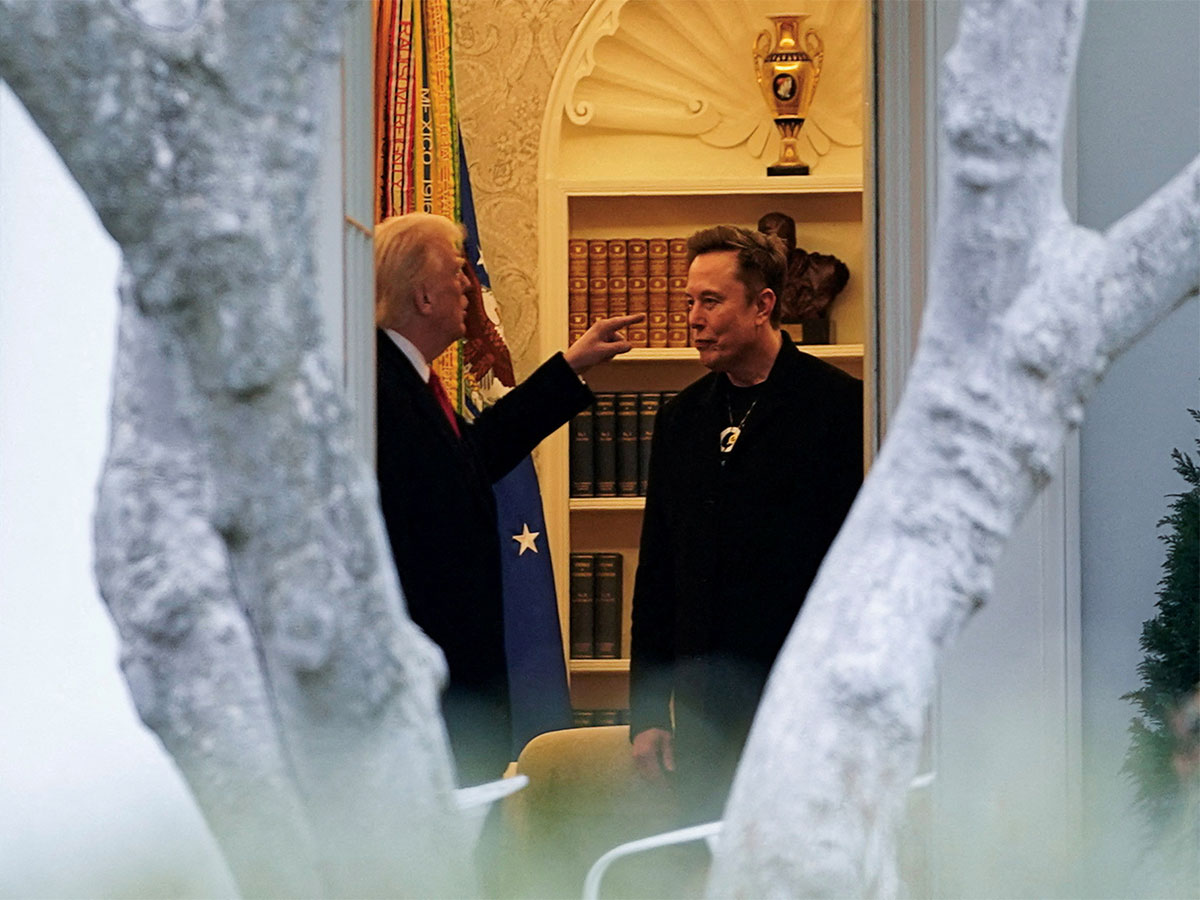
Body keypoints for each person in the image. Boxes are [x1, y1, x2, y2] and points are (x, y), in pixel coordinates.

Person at [374, 212, 640, 786]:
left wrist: (571, 367)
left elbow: (474, 457)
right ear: (423, 295)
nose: (469, 284)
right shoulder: (377, 385)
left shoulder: (408, 378)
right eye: (456, 272)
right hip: (429, 688)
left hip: (455, 683)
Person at [629, 224, 863, 826]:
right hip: (702, 722)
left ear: (763, 306)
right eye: (688, 302)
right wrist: (649, 711)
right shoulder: (681, 419)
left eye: (710, 301)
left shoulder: (843, 410)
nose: (693, 318)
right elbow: (658, 572)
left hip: (806, 707)